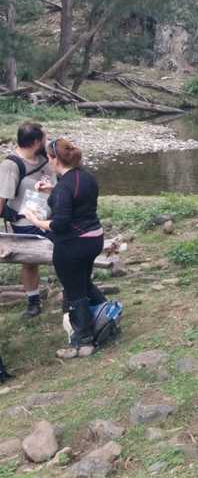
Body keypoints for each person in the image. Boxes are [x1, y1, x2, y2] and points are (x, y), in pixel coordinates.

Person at [23, 138, 106, 359]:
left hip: (73, 245)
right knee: (83, 282)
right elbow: (77, 199)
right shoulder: (85, 176)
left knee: (73, 291)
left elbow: (60, 224)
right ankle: (106, 315)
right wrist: (53, 190)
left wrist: (34, 219)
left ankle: (83, 342)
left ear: (54, 160)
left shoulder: (64, 187)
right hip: (94, 239)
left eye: (48, 158)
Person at [0, 122, 54, 318]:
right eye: (45, 138)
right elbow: (1, 198)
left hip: (51, 219)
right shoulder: (11, 165)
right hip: (25, 224)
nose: (47, 140)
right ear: (36, 141)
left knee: (64, 256)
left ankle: (71, 296)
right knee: (30, 262)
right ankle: (33, 301)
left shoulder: (46, 159)